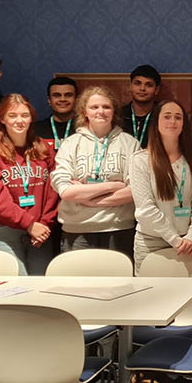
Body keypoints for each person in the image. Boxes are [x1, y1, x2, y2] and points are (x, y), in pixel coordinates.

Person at [50, 86, 139, 259]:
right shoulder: (70, 144)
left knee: (118, 285)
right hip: (77, 230)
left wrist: (88, 199)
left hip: (118, 228)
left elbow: (135, 190)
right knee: (79, 284)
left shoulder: (130, 144)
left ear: (114, 111)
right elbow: (66, 191)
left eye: (106, 107)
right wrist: (114, 186)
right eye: (94, 107)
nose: (101, 111)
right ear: (85, 112)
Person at [0, 94, 58, 275]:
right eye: (12, 116)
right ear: (2, 119)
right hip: (3, 231)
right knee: (12, 287)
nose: (19, 121)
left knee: (40, 288)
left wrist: (44, 223)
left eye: (24, 115)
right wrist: (28, 224)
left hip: (40, 231)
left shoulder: (43, 148)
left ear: (31, 118)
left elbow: (53, 191)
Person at [131, 100, 192, 273]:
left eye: (178, 117)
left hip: (188, 241)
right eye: (167, 117)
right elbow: (146, 208)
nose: (172, 121)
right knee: (151, 298)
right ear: (156, 122)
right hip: (152, 243)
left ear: (183, 125)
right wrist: (176, 241)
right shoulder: (140, 160)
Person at [119, 65, 161, 150]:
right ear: (130, 86)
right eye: (137, 83)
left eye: (148, 85)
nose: (142, 88)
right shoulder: (118, 115)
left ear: (156, 89)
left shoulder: (162, 115)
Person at [33, 76, 78, 152]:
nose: (62, 99)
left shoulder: (85, 128)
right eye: (57, 95)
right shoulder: (35, 130)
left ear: (76, 99)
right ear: (49, 100)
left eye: (68, 95)